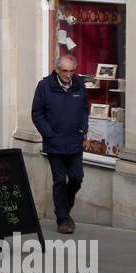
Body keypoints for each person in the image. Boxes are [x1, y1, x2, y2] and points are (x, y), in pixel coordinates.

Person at [31, 54, 89, 235]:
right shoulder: (44, 86)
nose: (68, 75)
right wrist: (49, 135)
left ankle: (63, 207)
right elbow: (37, 114)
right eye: (65, 71)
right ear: (56, 70)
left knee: (76, 178)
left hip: (74, 140)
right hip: (55, 143)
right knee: (59, 180)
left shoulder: (79, 84)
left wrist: (83, 129)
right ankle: (63, 219)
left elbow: (84, 110)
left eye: (72, 71)